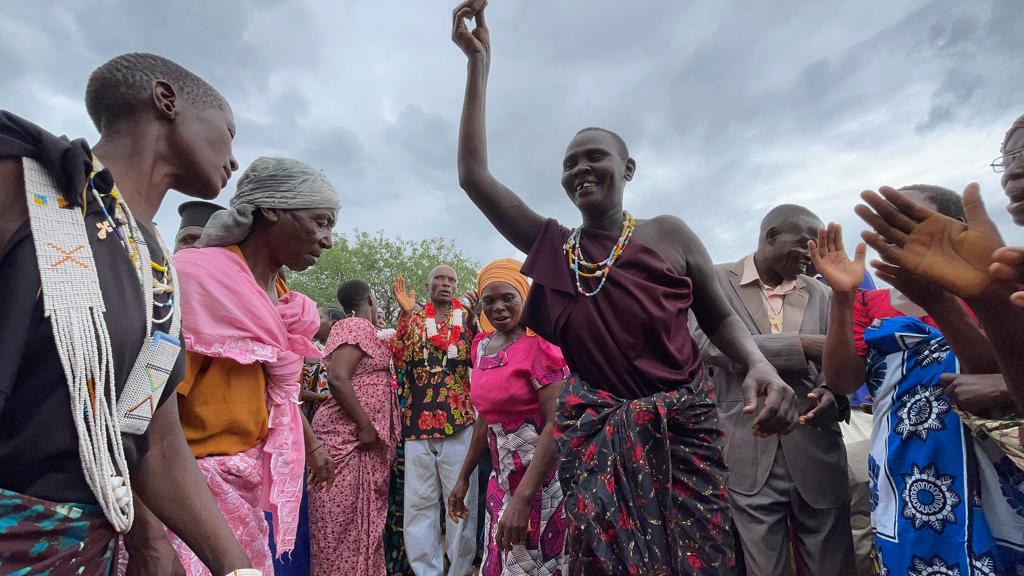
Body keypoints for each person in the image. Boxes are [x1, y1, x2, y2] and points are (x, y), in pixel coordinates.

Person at [451, 4, 798, 574]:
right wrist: (478, 66)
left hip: (684, 435)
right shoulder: (556, 248)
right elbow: (474, 177)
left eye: (595, 157)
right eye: (569, 164)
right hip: (598, 440)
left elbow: (719, 318)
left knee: (701, 561)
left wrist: (758, 363)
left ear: (628, 168)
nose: (580, 169)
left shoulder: (670, 234)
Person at [0, 53, 259, 575]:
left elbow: (152, 437)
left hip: (79, 555)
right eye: (229, 133)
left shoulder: (155, 268)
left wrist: (236, 567)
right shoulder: (20, 184)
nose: (234, 160)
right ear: (166, 101)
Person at [813, 185, 1024, 574]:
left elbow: (1001, 371)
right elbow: (842, 381)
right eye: (890, 229)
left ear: (956, 228)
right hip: (906, 468)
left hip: (996, 460)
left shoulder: (994, 289)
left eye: (911, 225)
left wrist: (941, 302)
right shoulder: (870, 303)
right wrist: (843, 297)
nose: (897, 239)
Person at [166, 156, 341, 575]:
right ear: (273, 209)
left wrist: (312, 447)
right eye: (320, 222)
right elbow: (148, 412)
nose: (327, 240)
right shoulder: (198, 282)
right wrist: (152, 528)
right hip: (186, 494)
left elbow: (276, 393)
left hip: (242, 481)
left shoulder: (276, 298)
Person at [692, 204, 855, 576]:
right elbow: (704, 342)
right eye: (805, 244)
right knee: (764, 567)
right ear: (771, 236)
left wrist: (833, 392)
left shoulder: (824, 293)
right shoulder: (714, 280)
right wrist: (802, 346)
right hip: (747, 450)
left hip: (817, 445)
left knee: (832, 564)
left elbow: (842, 359)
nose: (812, 255)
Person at [448, 259, 569, 575]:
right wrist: (463, 477)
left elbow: (556, 423)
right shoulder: (482, 346)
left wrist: (524, 498)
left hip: (541, 479)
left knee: (532, 562)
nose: (498, 307)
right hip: (501, 478)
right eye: (489, 300)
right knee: (500, 558)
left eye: (508, 297)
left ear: (524, 297)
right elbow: (485, 418)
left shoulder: (541, 346)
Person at [308, 280, 400, 575]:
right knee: (338, 526)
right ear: (371, 300)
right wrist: (365, 425)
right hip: (346, 439)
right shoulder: (355, 326)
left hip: (359, 443)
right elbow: (338, 378)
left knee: (356, 525)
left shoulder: (368, 331)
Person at [391, 266, 479, 575]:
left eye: (451, 280)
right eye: (439, 279)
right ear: (428, 285)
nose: (445, 283)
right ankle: (426, 571)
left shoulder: (466, 320)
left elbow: (477, 359)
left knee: (461, 501)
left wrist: (474, 323)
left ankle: (458, 570)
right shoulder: (415, 320)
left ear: (456, 286)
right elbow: (398, 360)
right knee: (418, 504)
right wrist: (405, 316)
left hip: (459, 421)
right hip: (418, 424)